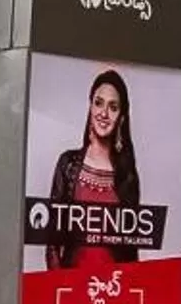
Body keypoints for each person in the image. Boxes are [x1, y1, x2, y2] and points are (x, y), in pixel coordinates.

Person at [44, 69, 140, 270]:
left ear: (121, 117)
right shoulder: (68, 164)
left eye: (113, 107)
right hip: (73, 290)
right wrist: (59, 286)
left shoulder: (127, 174)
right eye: (98, 103)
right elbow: (52, 241)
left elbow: (132, 249)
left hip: (114, 291)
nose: (104, 113)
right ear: (90, 107)